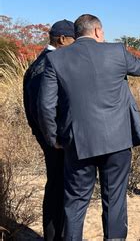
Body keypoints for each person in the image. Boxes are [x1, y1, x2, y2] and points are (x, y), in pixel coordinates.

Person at [37, 14, 140, 240]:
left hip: (78, 144)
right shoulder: (116, 52)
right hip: (117, 141)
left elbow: (46, 105)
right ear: (97, 31)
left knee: (76, 203)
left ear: (77, 33)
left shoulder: (56, 59)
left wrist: (54, 138)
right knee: (115, 199)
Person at [23, 19, 75, 241]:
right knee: (58, 188)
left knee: (57, 186)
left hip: (50, 137)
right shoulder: (48, 65)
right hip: (55, 141)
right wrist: (54, 138)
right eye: (75, 40)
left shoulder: (42, 62)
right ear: (62, 39)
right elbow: (42, 108)